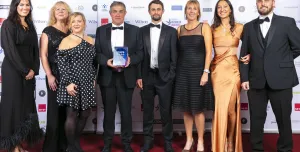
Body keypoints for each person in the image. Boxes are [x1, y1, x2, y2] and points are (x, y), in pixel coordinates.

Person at [240, 0, 300, 151]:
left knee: (284, 120)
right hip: (256, 80)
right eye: (259, 1)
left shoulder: (287, 22)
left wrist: (279, 61)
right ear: (256, 4)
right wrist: (245, 78)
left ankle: (285, 149)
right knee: (256, 120)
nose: (263, 3)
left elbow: (297, 47)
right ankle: (256, 149)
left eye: (266, 0)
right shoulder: (248, 27)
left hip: (281, 79)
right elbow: (244, 56)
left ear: (273, 3)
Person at [95, 1, 143, 152]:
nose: (117, 14)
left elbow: (141, 53)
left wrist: (131, 60)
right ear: (110, 13)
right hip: (107, 77)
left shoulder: (136, 31)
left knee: (126, 112)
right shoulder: (100, 30)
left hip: (127, 77)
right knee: (108, 112)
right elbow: (96, 54)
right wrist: (106, 62)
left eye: (120, 11)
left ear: (125, 13)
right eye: (114, 11)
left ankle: (126, 143)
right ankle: (107, 143)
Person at [0, 0, 44, 151]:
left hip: (29, 72)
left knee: (25, 106)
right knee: (13, 106)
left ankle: (19, 144)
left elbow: (35, 51)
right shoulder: (8, 24)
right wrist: (25, 70)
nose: (25, 8)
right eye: (21, 5)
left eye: (27, 5)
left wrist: (34, 70)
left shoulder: (30, 25)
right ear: (15, 7)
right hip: (13, 71)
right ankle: (13, 147)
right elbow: (10, 50)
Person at [172, 0, 214, 152]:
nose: (191, 11)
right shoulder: (179, 29)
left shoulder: (205, 27)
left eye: (194, 8)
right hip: (182, 72)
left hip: (199, 73)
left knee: (198, 109)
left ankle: (201, 140)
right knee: (186, 109)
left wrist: (205, 72)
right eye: (189, 8)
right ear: (185, 11)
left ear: (198, 12)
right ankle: (189, 140)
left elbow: (209, 51)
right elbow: (177, 53)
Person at [136, 0, 177, 152]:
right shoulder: (142, 31)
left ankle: (168, 141)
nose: (156, 12)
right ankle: (148, 141)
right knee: (147, 112)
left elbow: (175, 57)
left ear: (163, 11)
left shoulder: (172, 32)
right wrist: (139, 76)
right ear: (149, 11)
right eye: (153, 9)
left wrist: (170, 75)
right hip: (146, 77)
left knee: (166, 112)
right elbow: (139, 55)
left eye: (158, 9)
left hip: (164, 78)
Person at [210, 0, 250, 152]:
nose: (222, 9)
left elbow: (251, 45)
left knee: (231, 110)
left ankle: (231, 141)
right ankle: (219, 143)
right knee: (220, 108)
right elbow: (206, 50)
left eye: (225, 7)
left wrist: (251, 55)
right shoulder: (211, 28)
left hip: (234, 71)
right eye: (219, 7)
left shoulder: (240, 27)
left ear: (231, 10)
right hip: (217, 71)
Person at [56, 12, 97, 152]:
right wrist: (67, 83)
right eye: (73, 21)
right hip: (72, 82)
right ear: (70, 24)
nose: (77, 24)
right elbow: (61, 64)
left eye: (79, 21)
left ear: (84, 23)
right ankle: (73, 147)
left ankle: (73, 143)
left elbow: (92, 63)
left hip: (87, 81)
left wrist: (93, 79)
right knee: (72, 113)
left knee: (85, 113)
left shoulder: (90, 40)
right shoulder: (66, 41)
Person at [40, 1, 71, 152]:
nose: (60, 11)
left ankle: (65, 145)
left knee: (68, 111)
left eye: (63, 9)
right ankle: (51, 147)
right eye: (57, 9)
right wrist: (49, 75)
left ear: (67, 12)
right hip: (54, 74)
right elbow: (43, 55)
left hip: (71, 76)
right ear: (53, 12)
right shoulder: (48, 30)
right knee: (54, 110)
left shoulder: (72, 30)